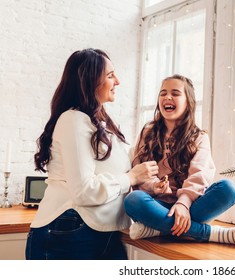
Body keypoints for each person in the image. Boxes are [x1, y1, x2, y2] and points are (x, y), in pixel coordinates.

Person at [26, 48, 159, 260]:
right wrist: (131, 177)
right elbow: (85, 191)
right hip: (70, 231)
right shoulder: (73, 120)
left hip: (102, 232)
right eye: (110, 75)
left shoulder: (101, 124)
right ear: (89, 81)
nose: (117, 81)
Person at [123, 74, 235, 246]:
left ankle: (157, 228)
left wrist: (184, 202)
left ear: (188, 102)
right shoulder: (148, 132)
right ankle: (209, 233)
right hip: (156, 205)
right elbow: (139, 170)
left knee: (229, 189)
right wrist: (155, 186)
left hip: (191, 206)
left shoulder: (199, 137)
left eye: (175, 93)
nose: (167, 97)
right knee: (133, 200)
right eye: (163, 93)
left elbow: (200, 174)